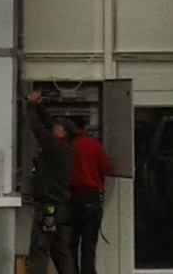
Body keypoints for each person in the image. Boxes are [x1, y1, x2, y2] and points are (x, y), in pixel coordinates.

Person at [23, 92, 76, 274]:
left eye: (58, 126)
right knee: (62, 251)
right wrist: (40, 107)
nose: (55, 127)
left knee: (40, 249)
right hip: (61, 207)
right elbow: (48, 123)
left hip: (48, 207)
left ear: (62, 133)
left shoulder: (55, 147)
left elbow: (36, 127)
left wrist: (31, 106)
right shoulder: (66, 148)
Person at [68, 117, 113, 274]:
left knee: (70, 243)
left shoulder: (68, 146)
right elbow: (106, 168)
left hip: (71, 197)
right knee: (89, 244)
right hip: (91, 198)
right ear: (85, 127)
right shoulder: (94, 145)